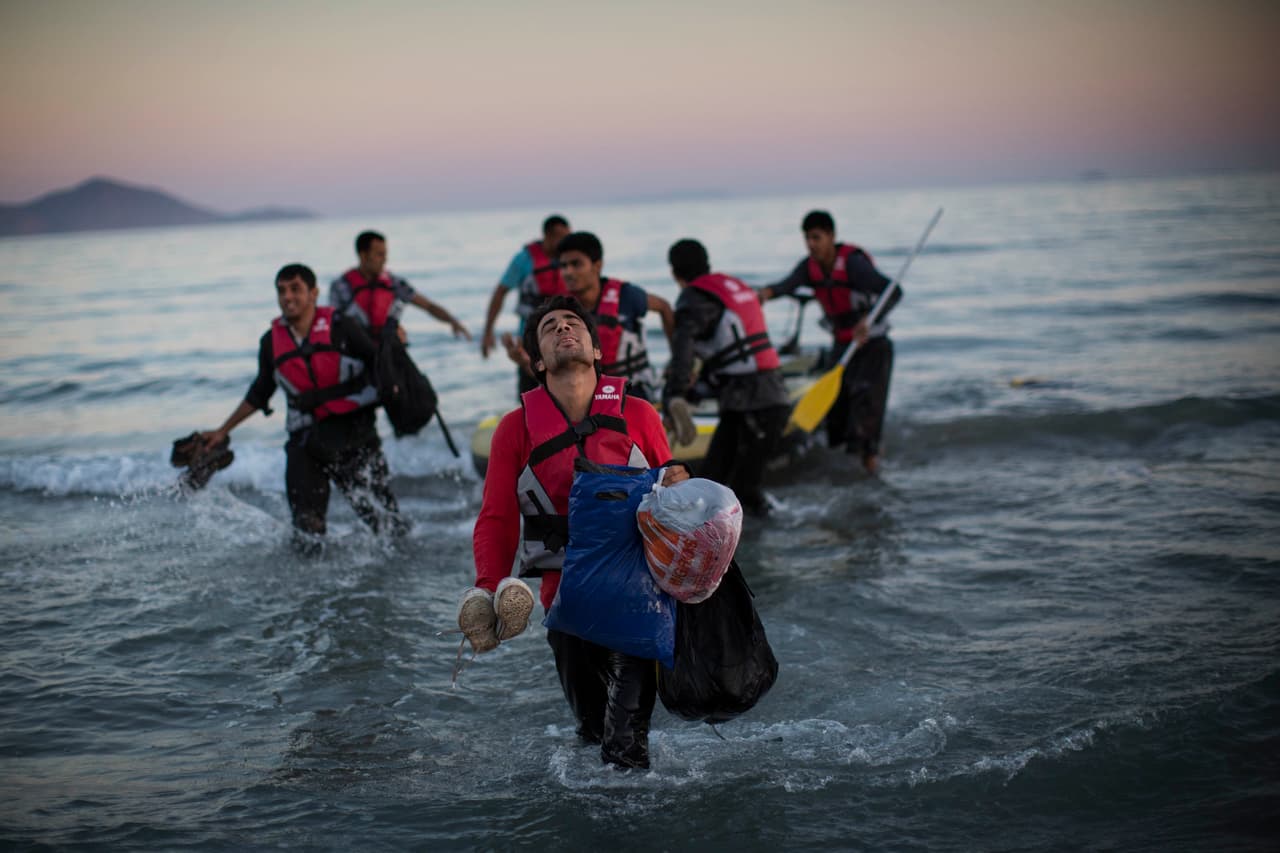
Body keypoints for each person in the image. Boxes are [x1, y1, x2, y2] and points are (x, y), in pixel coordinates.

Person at [463, 295, 689, 769]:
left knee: (625, 752)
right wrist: (488, 588)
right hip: (566, 605)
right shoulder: (514, 430)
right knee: (591, 734)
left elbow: (674, 501)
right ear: (538, 362)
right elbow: (497, 518)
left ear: (597, 350)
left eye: (573, 323)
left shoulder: (640, 415)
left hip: (639, 602)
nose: (564, 328)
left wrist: (680, 484)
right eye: (550, 327)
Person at [202, 263, 407, 552]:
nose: (287, 297)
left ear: (313, 293)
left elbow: (380, 364)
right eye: (282, 291)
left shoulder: (342, 327)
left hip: (355, 437)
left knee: (385, 522)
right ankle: (315, 581)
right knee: (306, 532)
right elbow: (260, 392)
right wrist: (223, 431)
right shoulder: (270, 343)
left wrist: (394, 345)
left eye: (295, 289)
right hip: (306, 443)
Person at [758, 210, 900, 474]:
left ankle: (871, 466)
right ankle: (846, 467)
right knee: (838, 408)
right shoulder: (809, 267)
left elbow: (894, 292)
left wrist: (869, 320)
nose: (811, 244)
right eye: (807, 239)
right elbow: (786, 285)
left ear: (831, 237)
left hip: (873, 344)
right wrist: (764, 294)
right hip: (842, 344)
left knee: (867, 406)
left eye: (817, 238)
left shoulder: (853, 265)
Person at [663, 239, 790, 517]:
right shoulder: (731, 286)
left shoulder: (693, 298)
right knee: (714, 483)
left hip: (753, 403)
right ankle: (743, 534)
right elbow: (724, 353)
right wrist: (695, 390)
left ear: (675, 273)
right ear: (706, 263)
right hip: (766, 396)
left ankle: (760, 537)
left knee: (739, 490)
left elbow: (683, 352)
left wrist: (675, 395)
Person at [501, 231, 674, 401]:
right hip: (587, 395)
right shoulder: (561, 310)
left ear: (597, 265)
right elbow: (554, 376)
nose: (568, 272)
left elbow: (664, 307)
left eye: (576, 264)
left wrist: (676, 360)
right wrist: (524, 361)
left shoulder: (626, 296)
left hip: (635, 389)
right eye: (563, 265)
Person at [479, 215, 572, 397]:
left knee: (565, 393)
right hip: (531, 341)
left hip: (564, 339)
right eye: (562, 237)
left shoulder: (569, 261)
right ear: (548, 235)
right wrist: (488, 332)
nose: (566, 242)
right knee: (531, 395)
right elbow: (500, 292)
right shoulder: (524, 260)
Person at [330, 230, 471, 344]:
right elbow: (334, 324)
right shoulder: (340, 286)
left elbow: (428, 306)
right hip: (356, 351)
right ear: (363, 256)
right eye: (379, 255)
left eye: (385, 254)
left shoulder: (394, 283)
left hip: (390, 349)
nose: (385, 259)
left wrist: (453, 321)